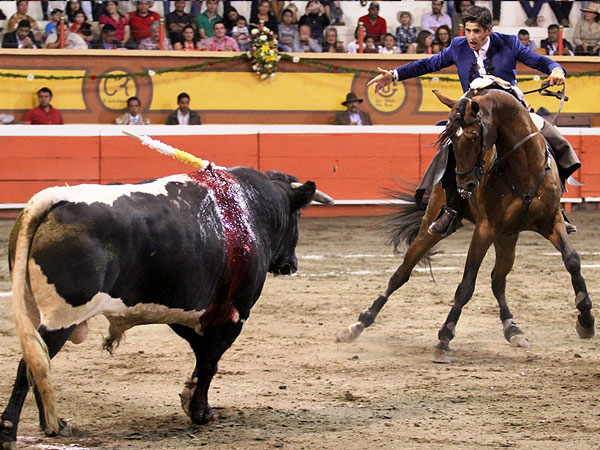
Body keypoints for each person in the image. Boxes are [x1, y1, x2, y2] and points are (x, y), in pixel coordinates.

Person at [367, 5, 579, 236]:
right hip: (474, 115)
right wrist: (394, 75)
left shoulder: (509, 43)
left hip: (510, 114)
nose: (471, 37)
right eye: (468, 30)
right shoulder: (458, 46)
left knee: (555, 142)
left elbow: (538, 60)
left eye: (476, 31)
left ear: (488, 30)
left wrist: (556, 69)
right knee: (452, 147)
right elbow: (428, 63)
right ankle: (450, 209)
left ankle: (555, 207)